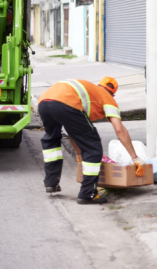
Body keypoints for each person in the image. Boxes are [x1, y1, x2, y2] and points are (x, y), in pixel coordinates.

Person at [36, 76, 145, 204]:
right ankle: (88, 194)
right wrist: (135, 158)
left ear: (100, 85)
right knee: (93, 147)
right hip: (65, 104)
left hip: (43, 101)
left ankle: (51, 182)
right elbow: (119, 130)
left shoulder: (90, 90)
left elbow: (74, 131)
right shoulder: (108, 98)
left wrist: (79, 155)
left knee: (51, 140)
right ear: (113, 94)